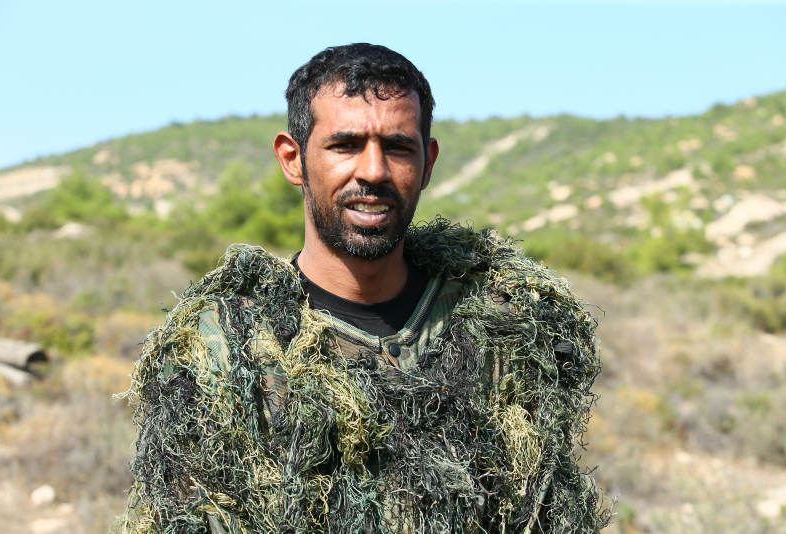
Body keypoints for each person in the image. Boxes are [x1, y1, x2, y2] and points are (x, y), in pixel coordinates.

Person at [115, 43, 608, 534]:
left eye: (398, 147)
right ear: (293, 159)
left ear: (428, 162)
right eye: (345, 145)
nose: (373, 171)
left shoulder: (501, 328)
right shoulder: (226, 347)